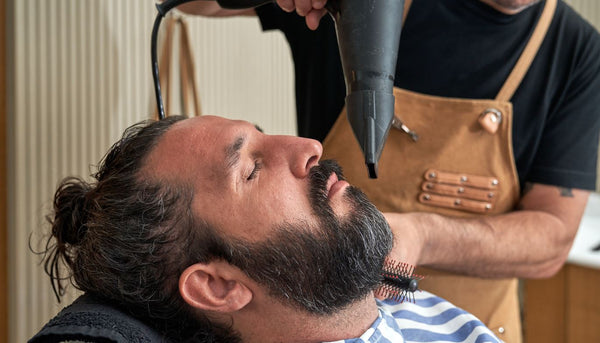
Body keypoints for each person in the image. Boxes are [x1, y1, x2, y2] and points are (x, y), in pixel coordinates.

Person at [179, 0, 600, 341]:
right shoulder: (362, 7)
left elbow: (551, 237)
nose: (308, 154)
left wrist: (423, 235)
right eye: (251, 168)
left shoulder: (576, 51)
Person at [32, 115, 501, 343]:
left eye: (264, 133)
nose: (310, 146)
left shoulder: (435, 319)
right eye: (252, 169)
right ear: (218, 285)